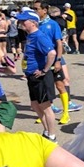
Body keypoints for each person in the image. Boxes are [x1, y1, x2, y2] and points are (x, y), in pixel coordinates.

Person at [34, 1, 82, 124]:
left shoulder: (53, 24)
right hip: (40, 61)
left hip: (54, 60)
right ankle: (46, 112)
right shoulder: (35, 25)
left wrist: (58, 60)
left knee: (60, 85)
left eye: (37, 9)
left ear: (44, 10)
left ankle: (66, 113)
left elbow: (59, 43)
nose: (35, 11)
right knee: (44, 88)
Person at [19, 9, 58, 142]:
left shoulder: (39, 36)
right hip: (31, 77)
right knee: (35, 105)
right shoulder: (30, 36)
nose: (21, 23)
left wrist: (45, 70)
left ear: (33, 23)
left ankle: (52, 136)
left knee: (46, 107)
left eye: (24, 21)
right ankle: (46, 130)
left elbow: (52, 53)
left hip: (40, 77)